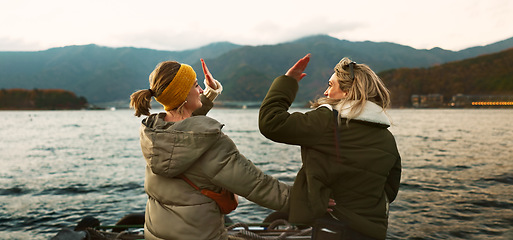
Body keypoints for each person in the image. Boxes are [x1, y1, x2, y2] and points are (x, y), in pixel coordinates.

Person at [130, 59, 290, 240]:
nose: (200, 90)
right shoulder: (211, 145)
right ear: (182, 95)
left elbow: (185, 125)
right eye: (196, 86)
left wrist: (210, 93)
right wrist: (308, 201)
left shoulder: (154, 133)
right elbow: (258, 185)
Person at [258, 54, 401, 240]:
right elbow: (390, 189)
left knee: (273, 220)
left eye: (330, 85)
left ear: (347, 93)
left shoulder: (329, 120)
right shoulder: (387, 137)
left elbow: (271, 122)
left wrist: (288, 82)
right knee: (276, 218)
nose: (326, 92)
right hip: (372, 231)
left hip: (334, 228)